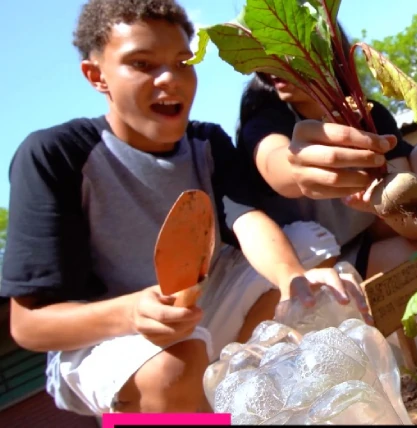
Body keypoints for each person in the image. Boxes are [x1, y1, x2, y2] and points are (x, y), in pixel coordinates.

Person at [0, 0, 366, 415]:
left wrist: (292, 281)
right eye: (141, 64)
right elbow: (28, 326)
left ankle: (236, 400)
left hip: (202, 305)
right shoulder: (55, 155)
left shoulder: (206, 144)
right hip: (106, 334)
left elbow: (248, 221)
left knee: (307, 259)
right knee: (174, 365)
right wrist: (132, 312)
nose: (169, 79)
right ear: (96, 75)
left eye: (182, 61)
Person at [236, 26, 417, 280]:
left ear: (327, 48)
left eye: (287, 48)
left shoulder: (370, 114)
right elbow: (275, 163)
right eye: (265, 50)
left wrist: (382, 204)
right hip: (323, 262)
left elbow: (411, 222)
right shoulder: (265, 119)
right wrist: (297, 163)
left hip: (378, 234)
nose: (274, 59)